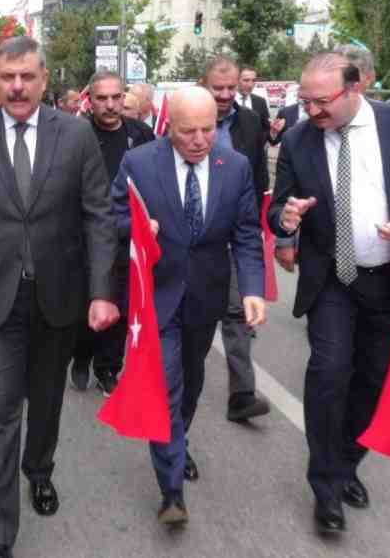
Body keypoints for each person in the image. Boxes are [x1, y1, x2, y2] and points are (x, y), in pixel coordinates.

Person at [269, 53, 390, 535]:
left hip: (389, 280)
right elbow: (279, 211)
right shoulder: (298, 139)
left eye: (321, 101)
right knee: (329, 372)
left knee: (373, 382)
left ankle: (347, 461)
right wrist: (286, 220)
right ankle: (325, 487)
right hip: (332, 277)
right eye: (304, 100)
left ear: (354, 88)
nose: (311, 111)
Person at [0, 36, 119, 558]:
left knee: (44, 404)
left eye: (27, 76)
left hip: (58, 299)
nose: (17, 86)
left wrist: (102, 291)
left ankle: (39, 469)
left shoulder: (77, 137)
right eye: (7, 77)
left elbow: (98, 217)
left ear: (44, 80)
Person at [111, 86, 266, 527]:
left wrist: (252, 288)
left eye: (208, 129)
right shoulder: (139, 163)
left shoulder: (234, 167)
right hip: (156, 297)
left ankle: (177, 441)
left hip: (206, 297)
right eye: (188, 132)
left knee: (191, 382)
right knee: (165, 384)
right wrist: (139, 225)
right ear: (168, 127)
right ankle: (171, 488)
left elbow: (248, 234)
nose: (200, 140)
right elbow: (112, 214)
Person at [71, 71, 154, 396]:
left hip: (124, 237)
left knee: (119, 306)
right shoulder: (77, 134)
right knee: (86, 304)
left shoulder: (141, 134)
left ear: (124, 97)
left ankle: (108, 368)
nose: (109, 105)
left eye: (115, 97)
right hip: (84, 237)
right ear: (90, 101)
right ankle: (81, 355)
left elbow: (154, 177)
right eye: (101, 98)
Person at [199, 56, 271, 428]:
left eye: (231, 88)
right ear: (203, 85)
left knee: (236, 314)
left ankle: (242, 394)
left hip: (233, 234)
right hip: (191, 238)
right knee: (188, 320)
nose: (226, 95)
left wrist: (253, 228)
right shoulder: (186, 119)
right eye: (218, 88)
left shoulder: (251, 123)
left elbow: (258, 178)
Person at [236, 67, 271, 132]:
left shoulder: (260, 102)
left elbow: (266, 129)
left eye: (253, 80)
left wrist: (274, 131)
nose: (250, 85)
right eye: (246, 80)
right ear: (236, 80)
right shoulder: (228, 101)